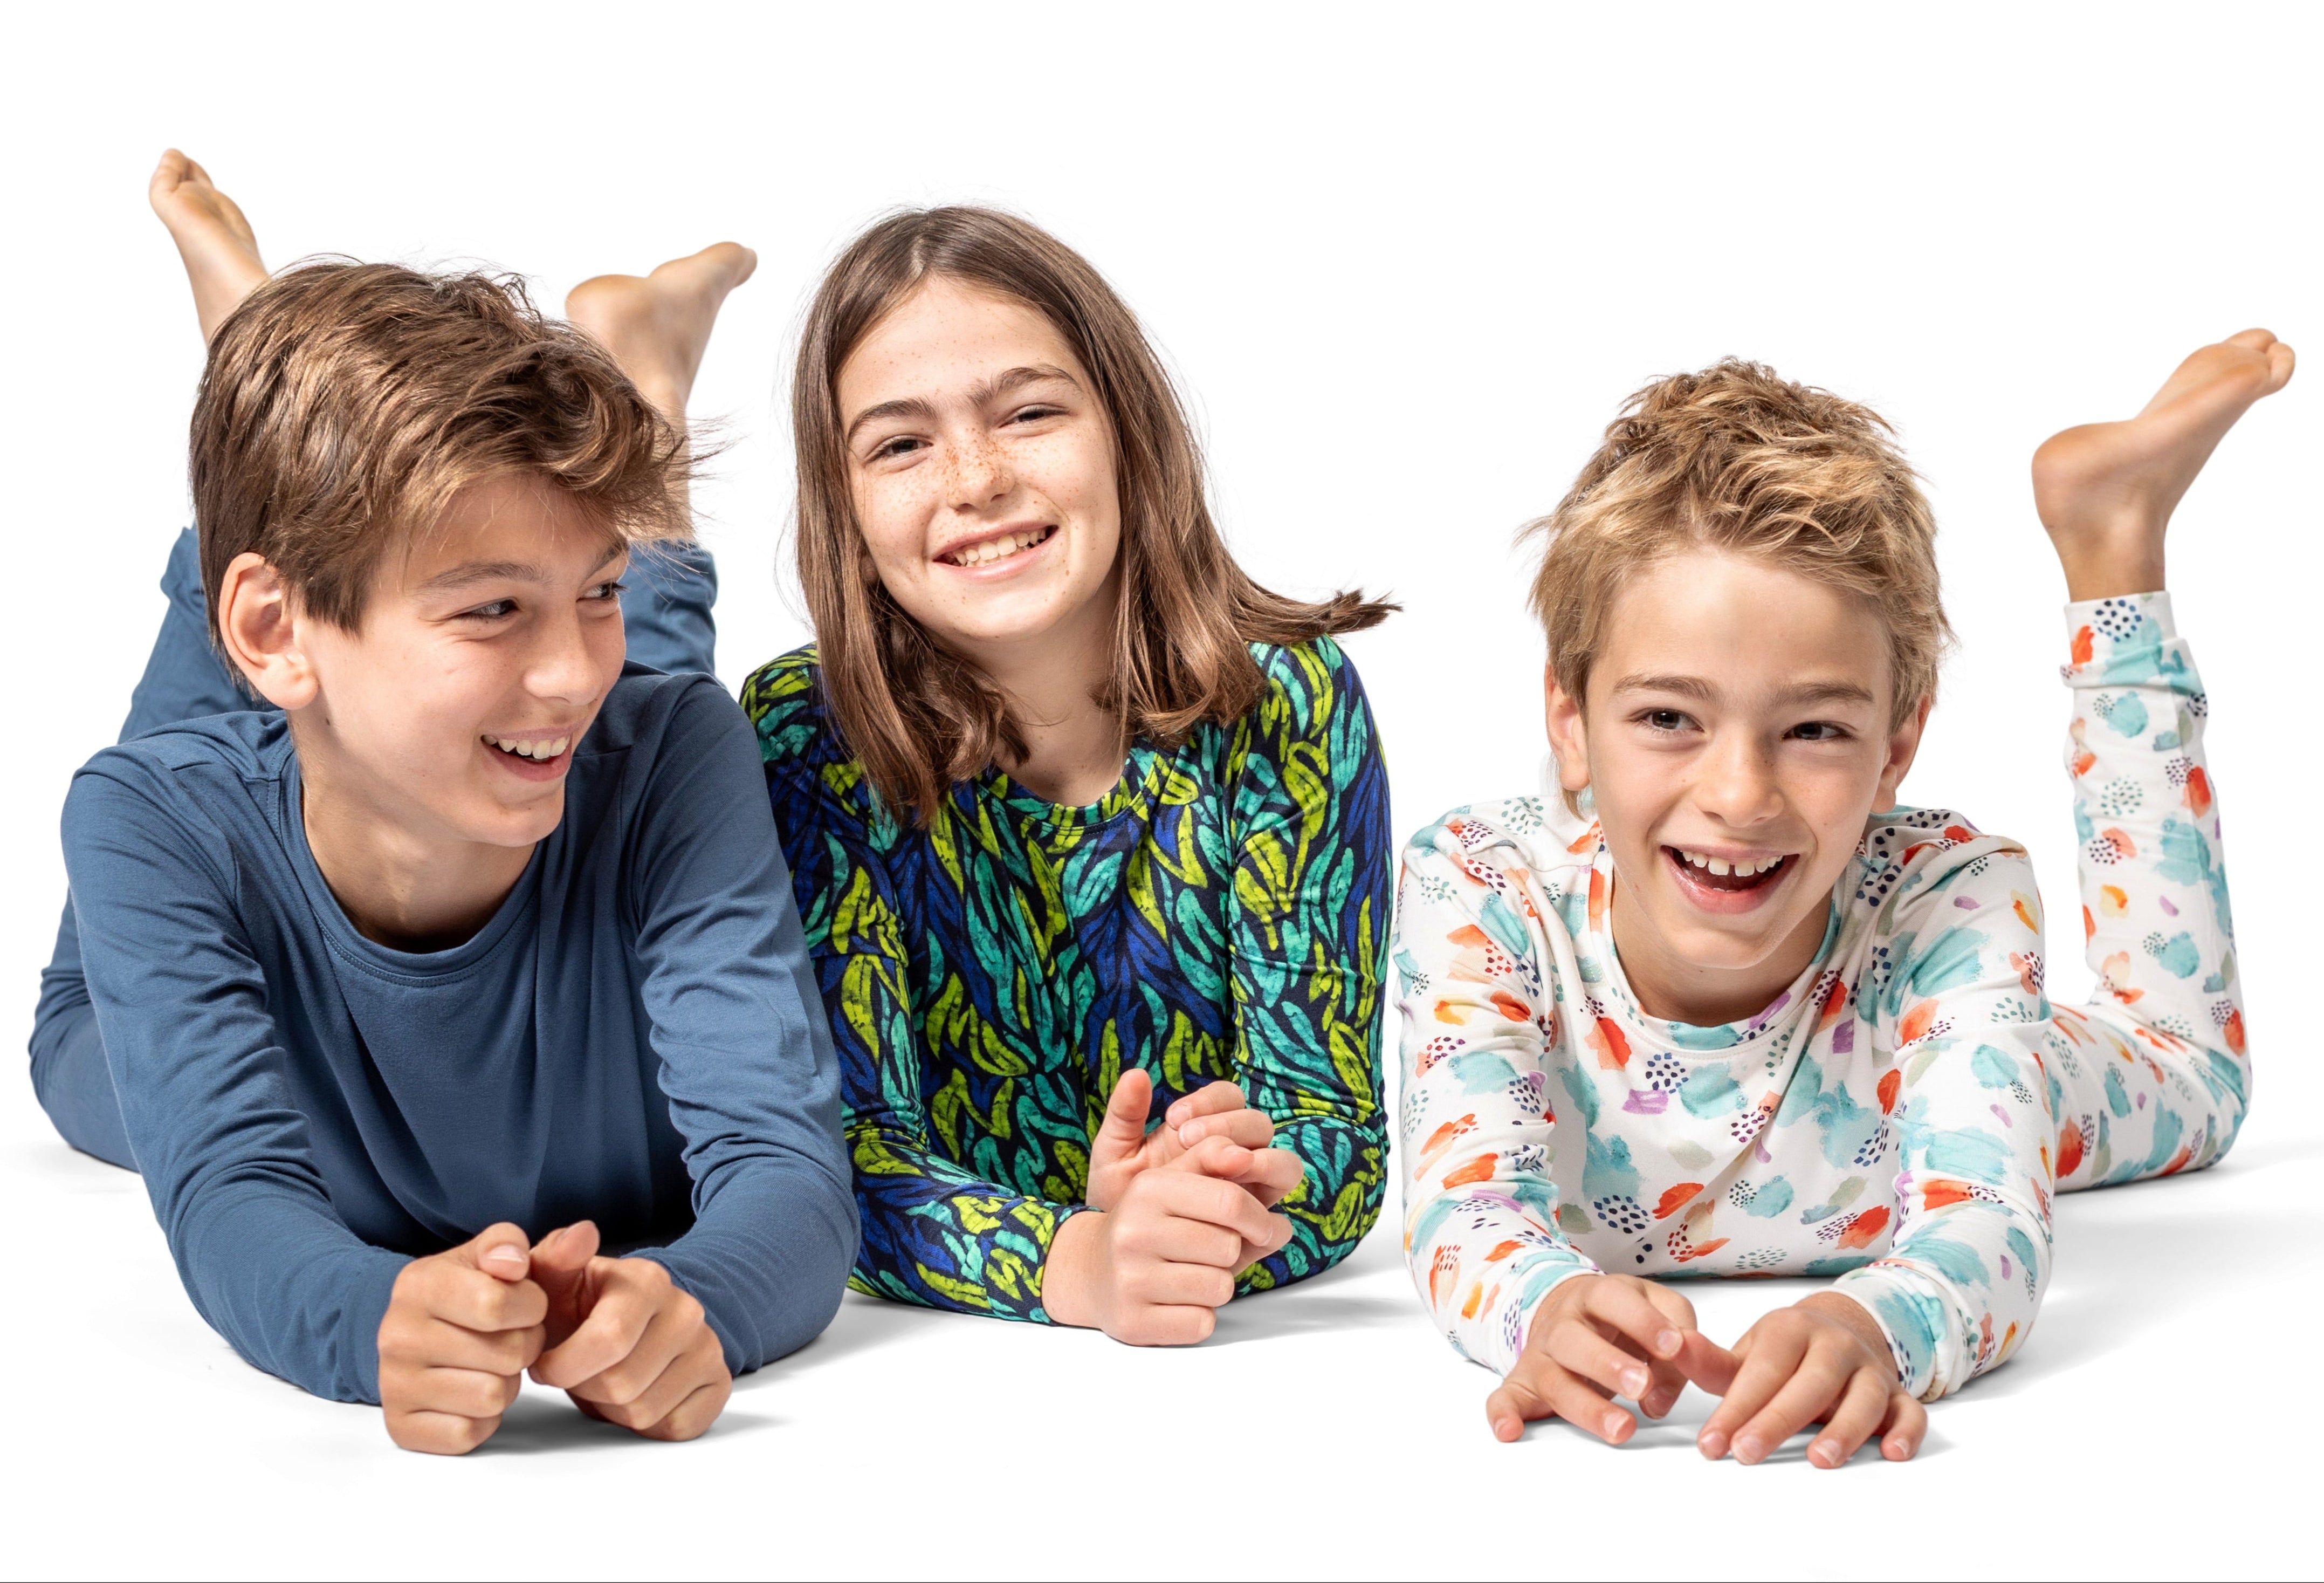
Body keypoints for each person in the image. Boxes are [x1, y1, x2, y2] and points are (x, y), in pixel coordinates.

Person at [27, 153, 855, 1453]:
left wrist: (691, 1304)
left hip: (539, 735)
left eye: (597, 589)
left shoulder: (669, 750)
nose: (571, 665)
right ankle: (256, 368)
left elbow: (788, 1176)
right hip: (247, 731)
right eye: (490, 609)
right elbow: (234, 1197)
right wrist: (373, 1320)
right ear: (272, 627)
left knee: (641, 681)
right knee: (80, 1062)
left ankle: (626, 379)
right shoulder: (151, 820)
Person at [1394, 334, 2287, 1464]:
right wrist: (1544, 1306)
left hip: (1956, 1057)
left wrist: (1878, 1321)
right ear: (1569, 722)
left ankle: (2112, 544)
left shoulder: (1949, 903)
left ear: (1896, 745)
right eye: (1668, 717)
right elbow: (1466, 1207)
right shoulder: (1480, 889)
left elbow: (1989, 1224)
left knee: (2198, 1078)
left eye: (1814, 729)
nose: (1739, 795)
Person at [741, 207, 1394, 1344]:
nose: (976, 479)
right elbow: (842, 1161)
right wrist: (1079, 1261)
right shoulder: (811, 737)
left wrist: (1202, 1205)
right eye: (899, 445)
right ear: (846, 509)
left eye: (1029, 414)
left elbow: (1329, 1125)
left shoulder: (1285, 699)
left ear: (1126, 432)